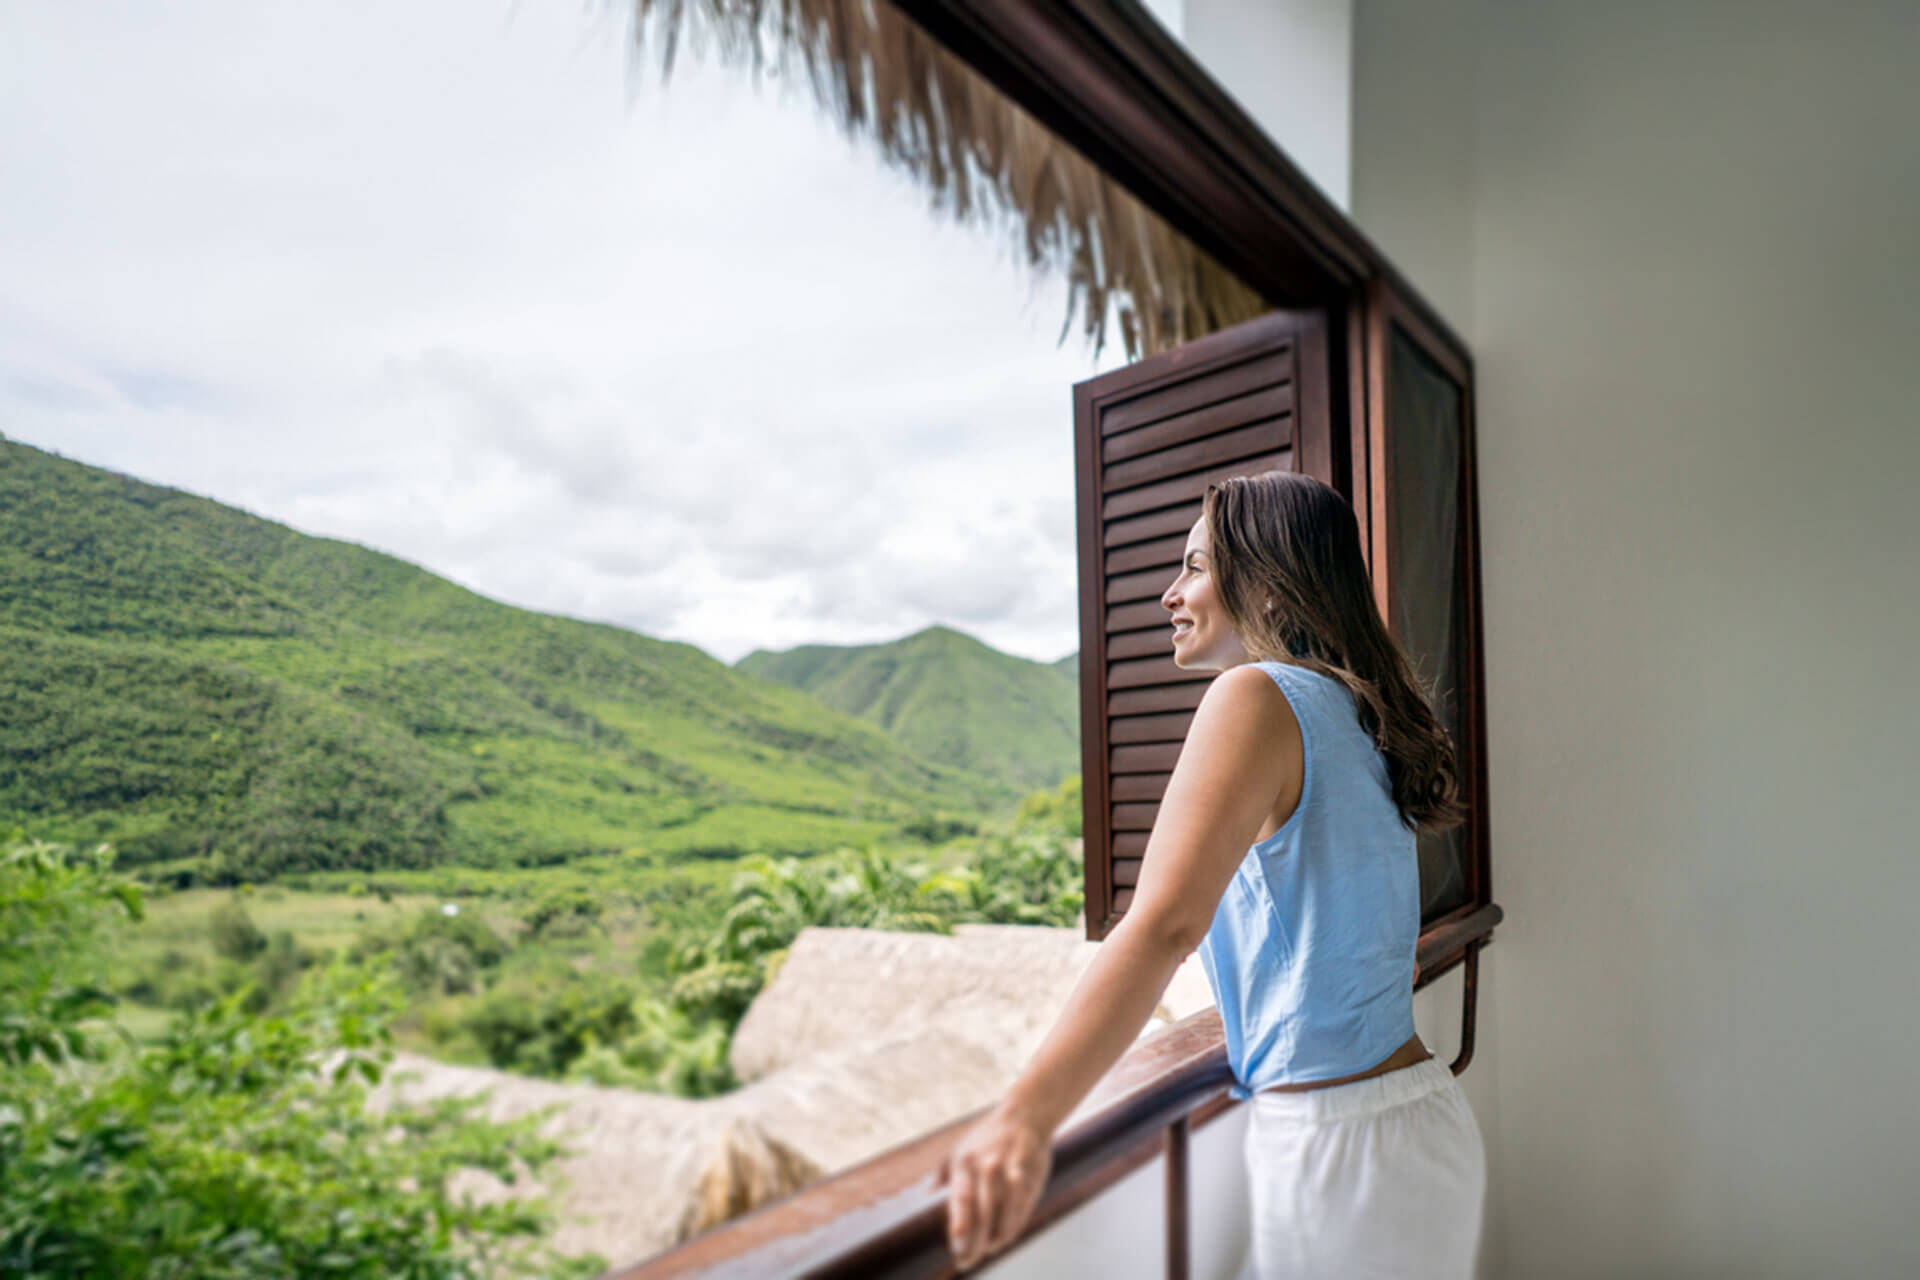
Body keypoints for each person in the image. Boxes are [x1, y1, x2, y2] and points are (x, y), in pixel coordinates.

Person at [938, 470, 1485, 1277]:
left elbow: (1165, 925)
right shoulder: (1358, 711)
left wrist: (1022, 1119)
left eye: (1194, 566)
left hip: (1342, 1150)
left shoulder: (1254, 697)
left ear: (1267, 588)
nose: (1170, 593)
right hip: (1415, 1118)